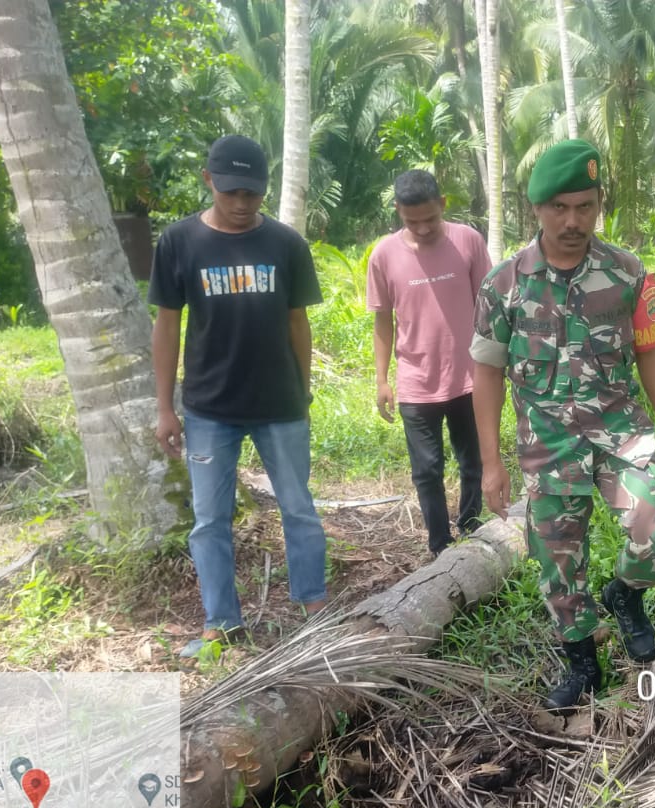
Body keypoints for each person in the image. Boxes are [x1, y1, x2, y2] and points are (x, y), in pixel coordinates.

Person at [470, 139, 655, 710]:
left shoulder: (626, 272)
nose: (573, 221)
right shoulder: (503, 285)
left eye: (585, 206)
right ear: (535, 208)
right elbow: (485, 372)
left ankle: (625, 594)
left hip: (620, 430)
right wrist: (490, 463)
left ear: (599, 204)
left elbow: (651, 350)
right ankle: (582, 663)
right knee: (559, 561)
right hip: (547, 443)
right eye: (559, 207)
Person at [150, 134, 328, 656]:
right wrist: (165, 407)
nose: (242, 204)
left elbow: (298, 323)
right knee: (210, 519)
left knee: (298, 507)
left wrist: (304, 389)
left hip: (280, 406)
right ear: (209, 181)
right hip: (209, 409)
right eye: (232, 193)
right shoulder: (179, 242)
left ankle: (313, 605)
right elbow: (166, 327)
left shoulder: (286, 244)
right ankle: (221, 622)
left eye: (252, 193)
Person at [367, 170, 491, 556]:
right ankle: (440, 544)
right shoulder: (384, 255)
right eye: (411, 221)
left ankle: (471, 529)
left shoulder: (467, 242)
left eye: (430, 219)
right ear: (398, 212)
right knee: (426, 471)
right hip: (416, 382)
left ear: (443, 205)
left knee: (473, 460)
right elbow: (382, 320)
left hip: (469, 377)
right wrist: (382, 380)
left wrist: (498, 367)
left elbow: (488, 310)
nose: (422, 229)